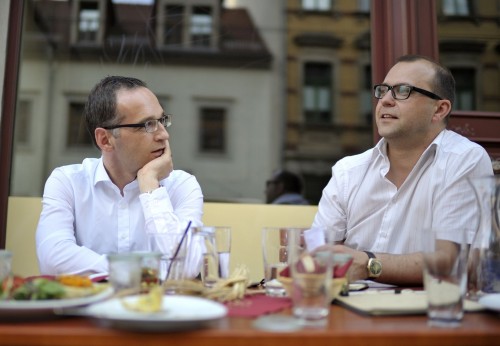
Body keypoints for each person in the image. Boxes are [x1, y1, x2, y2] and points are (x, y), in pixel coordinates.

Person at [304, 55, 494, 286]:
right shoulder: (348, 171)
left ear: (439, 109)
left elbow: (450, 261)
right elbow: (318, 253)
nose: (385, 100)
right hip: (348, 307)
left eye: (402, 90)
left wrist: (367, 264)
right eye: (382, 90)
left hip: (425, 311)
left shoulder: (464, 160)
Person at [36, 76, 204, 276]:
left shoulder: (181, 185)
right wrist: (139, 272)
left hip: (158, 307)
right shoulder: (68, 182)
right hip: (89, 307)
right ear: (105, 140)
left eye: (162, 121)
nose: (163, 135)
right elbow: (52, 259)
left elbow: (188, 266)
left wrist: (150, 185)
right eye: (147, 125)